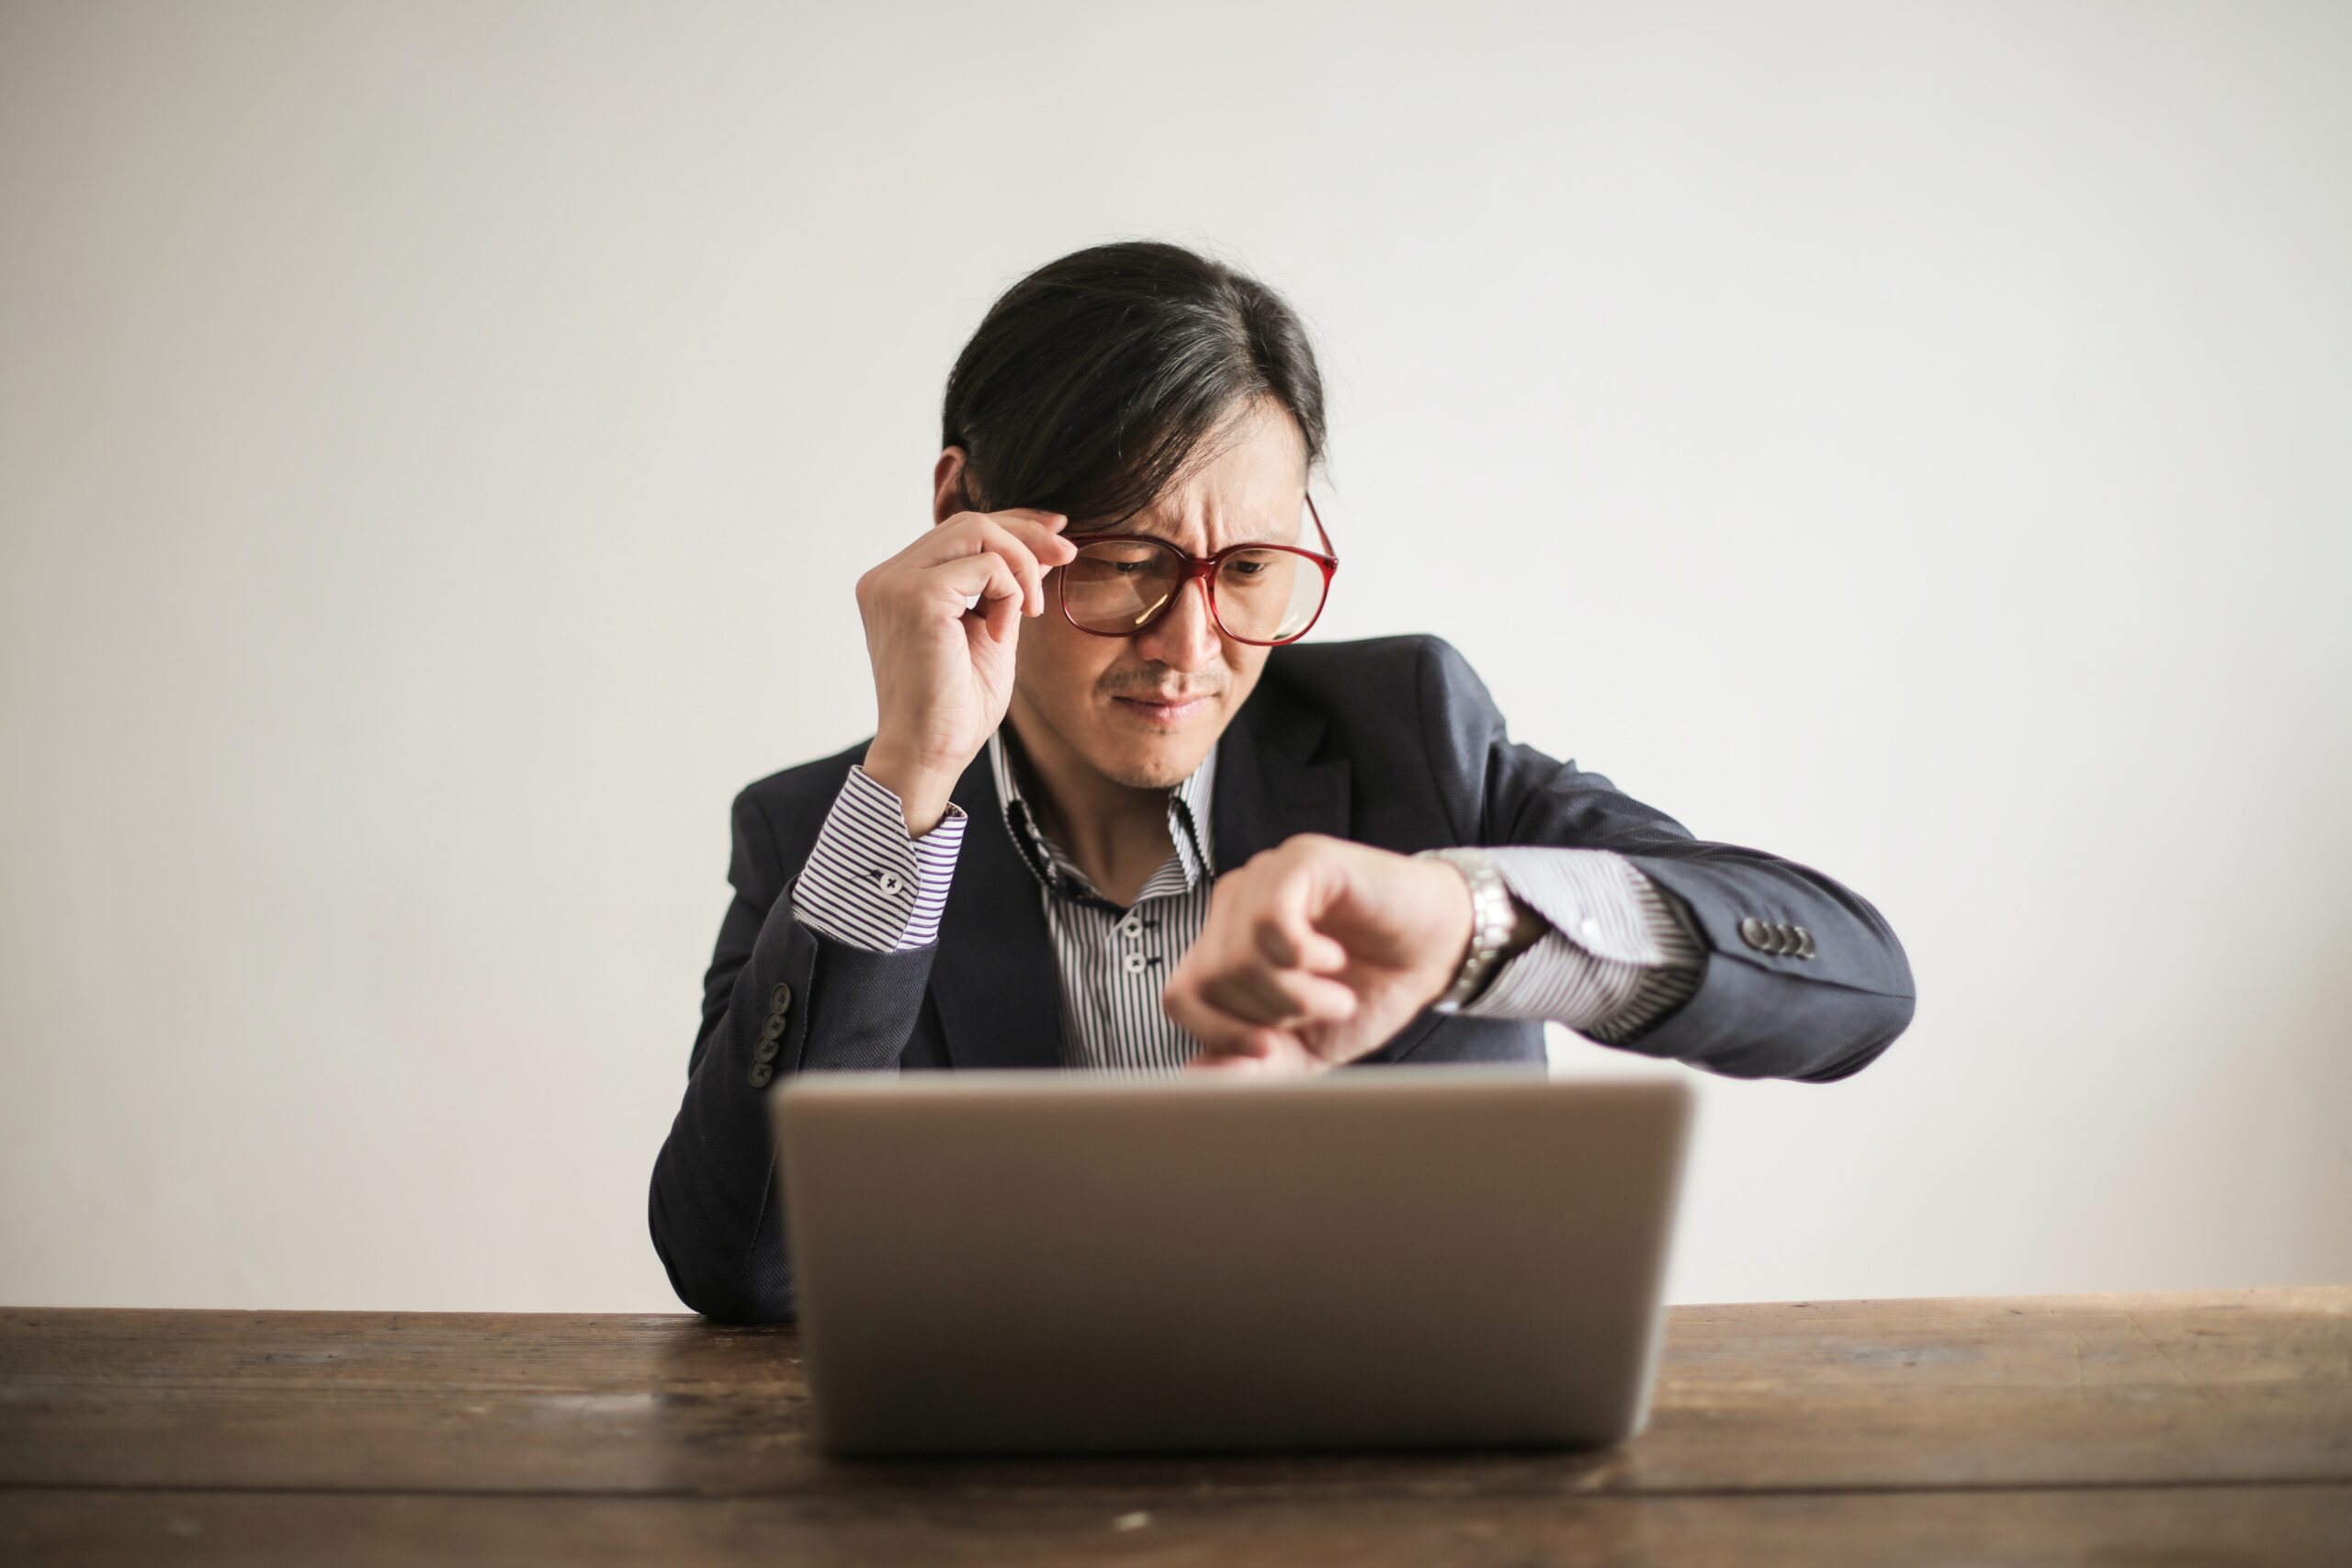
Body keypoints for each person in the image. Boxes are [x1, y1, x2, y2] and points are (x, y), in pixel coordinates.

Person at [649, 241, 1916, 1323]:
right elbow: (742, 1266)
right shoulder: (828, 832)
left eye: (1250, 568)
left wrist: (1470, 928)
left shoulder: (1411, 737)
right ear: (965, 518)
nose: (1189, 651)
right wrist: (912, 783)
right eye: (1125, 561)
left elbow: (1852, 983)